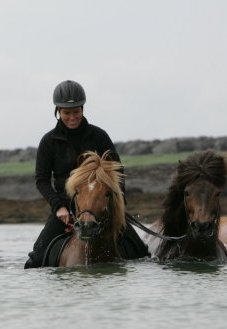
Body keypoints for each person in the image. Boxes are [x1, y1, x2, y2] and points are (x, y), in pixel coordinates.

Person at [24, 80, 148, 268]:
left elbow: (118, 172)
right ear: (58, 111)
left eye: (76, 111)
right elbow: (41, 180)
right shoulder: (48, 141)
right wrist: (58, 207)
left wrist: (117, 204)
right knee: (35, 259)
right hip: (66, 208)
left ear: (82, 109)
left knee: (142, 252)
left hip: (101, 206)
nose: (72, 117)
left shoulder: (99, 136)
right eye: (67, 112)